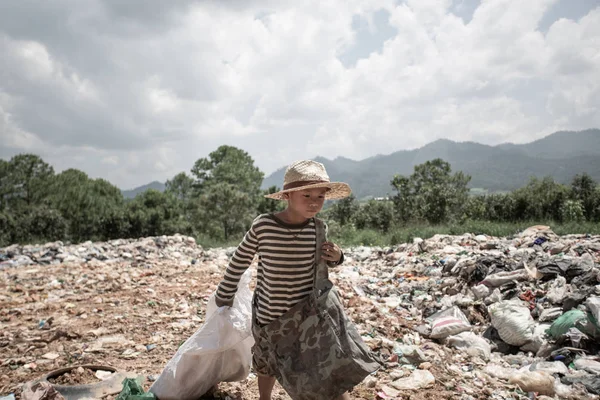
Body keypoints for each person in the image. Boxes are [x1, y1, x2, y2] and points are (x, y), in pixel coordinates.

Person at [214, 160, 356, 400]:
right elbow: (239, 261)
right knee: (268, 361)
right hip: (271, 314)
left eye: (320, 197)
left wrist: (337, 257)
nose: (314, 202)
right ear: (288, 195)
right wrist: (225, 295)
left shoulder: (319, 228)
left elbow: (324, 262)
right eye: (306, 195)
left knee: (321, 362)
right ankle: (264, 398)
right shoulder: (264, 226)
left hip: (308, 313)